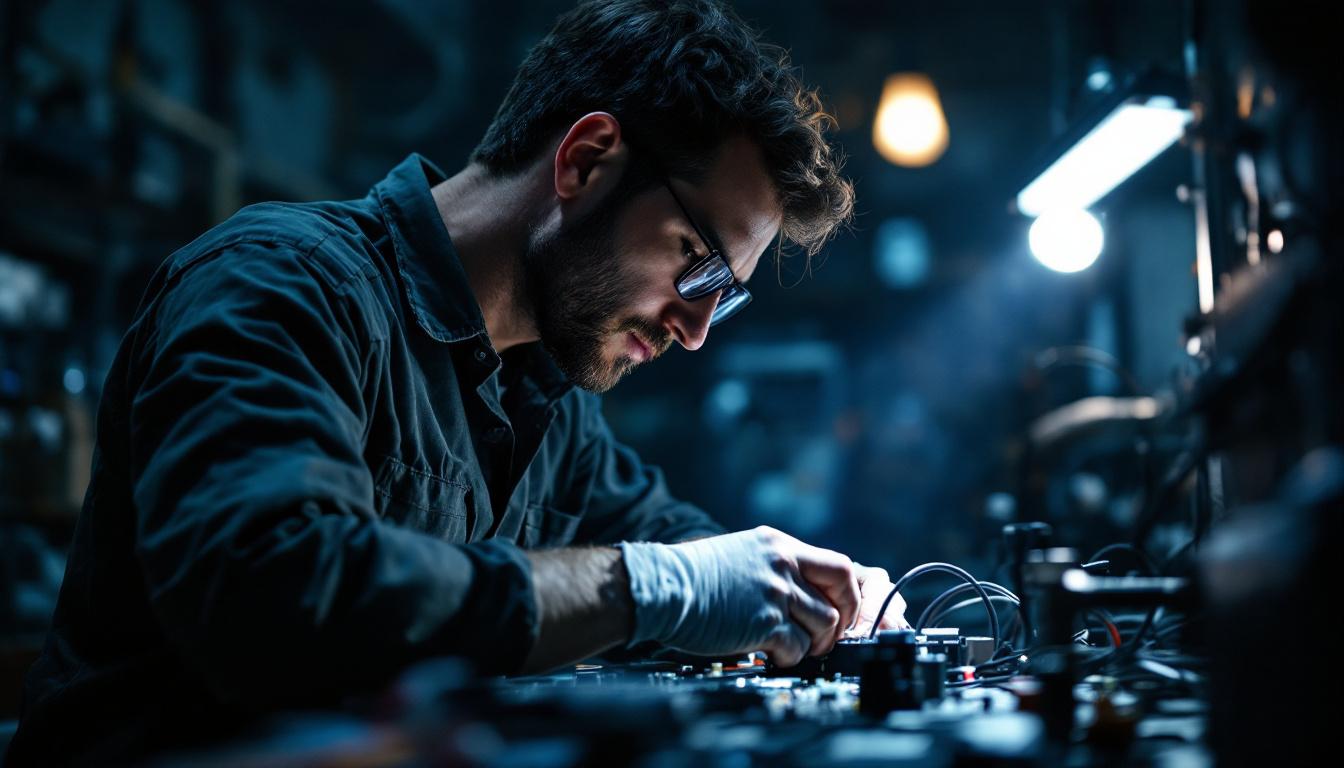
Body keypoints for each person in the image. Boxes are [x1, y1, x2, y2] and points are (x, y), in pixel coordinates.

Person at [7, 1, 909, 763]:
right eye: (696, 265)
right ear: (586, 160)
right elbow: (276, 592)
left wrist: (807, 590)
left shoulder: (542, 393)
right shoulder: (280, 285)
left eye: (726, 298)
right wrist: (652, 586)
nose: (697, 328)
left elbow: (659, 535)